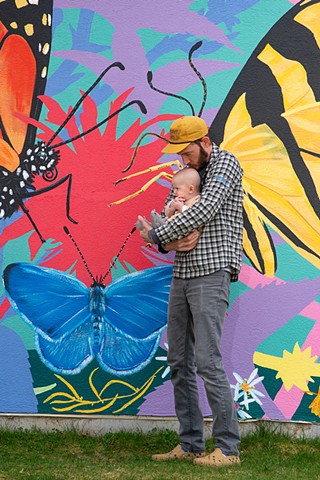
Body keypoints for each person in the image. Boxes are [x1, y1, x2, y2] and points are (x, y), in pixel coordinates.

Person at [137, 115, 243, 467]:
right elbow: (172, 221)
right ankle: (191, 442)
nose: (183, 159)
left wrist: (158, 236)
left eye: (187, 152)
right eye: (179, 153)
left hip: (212, 272)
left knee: (207, 362)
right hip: (183, 274)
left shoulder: (226, 163)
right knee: (178, 359)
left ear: (205, 142)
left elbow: (206, 209)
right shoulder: (185, 175)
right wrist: (169, 239)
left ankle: (228, 448)